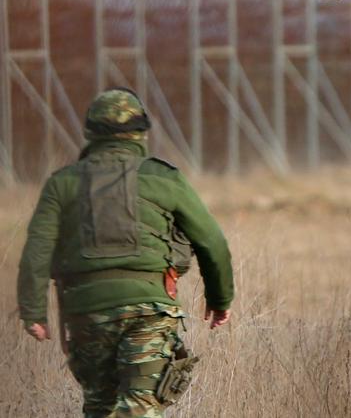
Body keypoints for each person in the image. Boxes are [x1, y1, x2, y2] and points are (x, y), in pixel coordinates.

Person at [17, 88, 235, 417]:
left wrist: (33, 312)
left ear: (90, 132)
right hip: (149, 312)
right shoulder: (164, 178)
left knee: (101, 407)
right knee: (140, 407)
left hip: (86, 314)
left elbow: (37, 249)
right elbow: (211, 241)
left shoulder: (62, 183)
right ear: (141, 132)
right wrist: (220, 300)